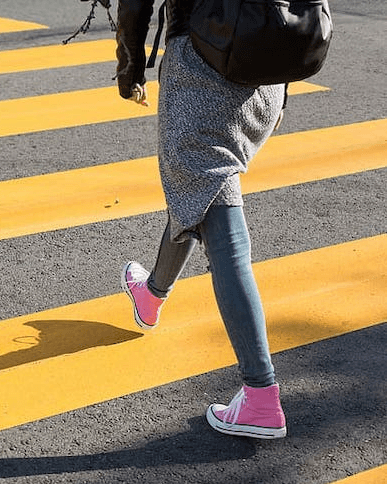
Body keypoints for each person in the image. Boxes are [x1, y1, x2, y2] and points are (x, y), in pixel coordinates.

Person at [113, 0, 287, 439]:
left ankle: (261, 395)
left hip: (204, 65)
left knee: (222, 226)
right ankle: (151, 294)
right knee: (200, 185)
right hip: (266, 71)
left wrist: (130, 66)